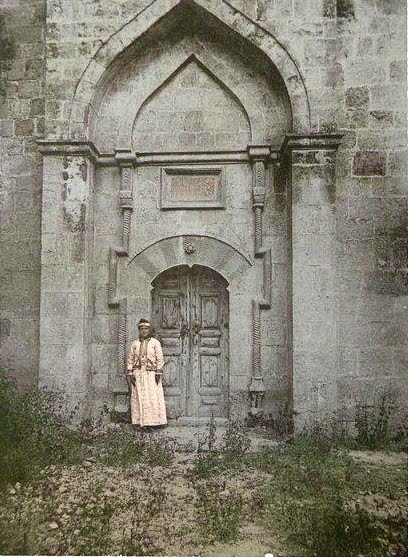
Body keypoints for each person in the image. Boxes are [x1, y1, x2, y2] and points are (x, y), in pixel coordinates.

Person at [126, 318, 168, 428]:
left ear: (150, 330)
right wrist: (131, 373)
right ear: (139, 330)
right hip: (138, 373)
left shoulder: (155, 343)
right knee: (139, 395)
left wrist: (158, 373)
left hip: (151, 374)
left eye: (146, 329)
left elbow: (160, 358)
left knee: (152, 396)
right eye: (142, 329)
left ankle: (154, 422)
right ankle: (140, 422)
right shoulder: (135, 344)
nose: (144, 331)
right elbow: (130, 359)